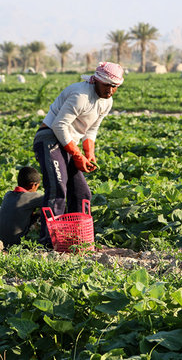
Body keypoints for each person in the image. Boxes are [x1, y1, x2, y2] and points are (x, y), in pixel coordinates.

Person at [33, 61, 124, 246]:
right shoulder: (81, 95)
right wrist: (76, 155)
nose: (110, 90)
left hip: (67, 143)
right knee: (57, 188)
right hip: (49, 137)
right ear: (96, 80)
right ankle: (49, 242)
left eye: (114, 86)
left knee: (82, 192)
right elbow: (59, 125)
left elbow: (91, 130)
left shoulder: (106, 102)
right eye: (106, 85)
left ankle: (77, 238)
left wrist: (89, 154)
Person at [0, 166, 44, 247]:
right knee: (43, 211)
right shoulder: (33, 196)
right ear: (33, 185)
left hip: (2, 241)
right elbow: (51, 201)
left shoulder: (8, 195)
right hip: (18, 243)